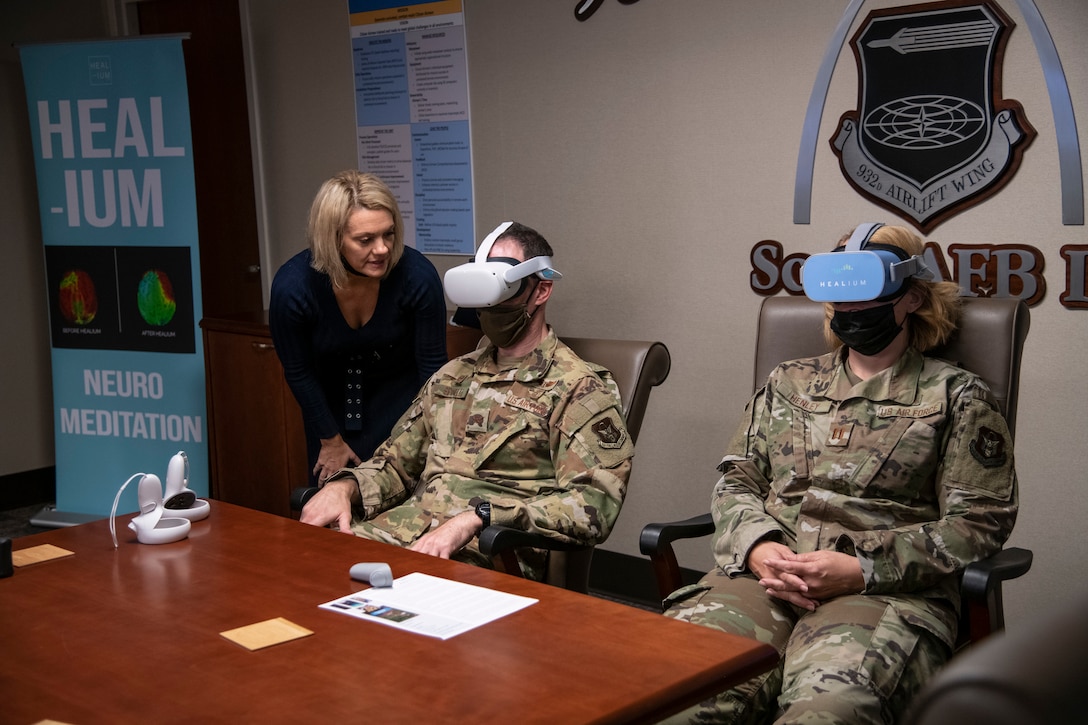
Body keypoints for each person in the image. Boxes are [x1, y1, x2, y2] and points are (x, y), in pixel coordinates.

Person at [663, 223, 1018, 724]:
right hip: (766, 576)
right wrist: (759, 547)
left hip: (882, 593)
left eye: (866, 294)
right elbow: (737, 481)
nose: (849, 311)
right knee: (670, 692)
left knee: (827, 713)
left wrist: (862, 568)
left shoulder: (956, 396)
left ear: (912, 298)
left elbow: (979, 521)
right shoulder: (788, 382)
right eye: (840, 297)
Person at [298, 221, 634, 579]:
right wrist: (345, 487)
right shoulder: (452, 376)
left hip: (488, 553)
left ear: (541, 291)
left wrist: (480, 517)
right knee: (305, 572)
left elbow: (594, 502)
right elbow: (396, 463)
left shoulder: (576, 388)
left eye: (503, 291)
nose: (489, 307)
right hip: (400, 537)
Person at [269, 171, 448, 486]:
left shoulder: (417, 276)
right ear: (333, 238)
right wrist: (329, 440)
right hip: (329, 414)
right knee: (334, 509)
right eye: (365, 240)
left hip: (402, 407)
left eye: (388, 235)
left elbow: (432, 368)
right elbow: (299, 372)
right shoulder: (294, 288)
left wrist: (428, 436)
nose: (382, 249)